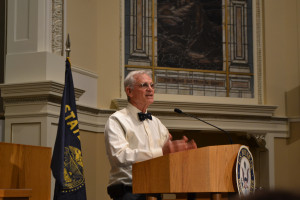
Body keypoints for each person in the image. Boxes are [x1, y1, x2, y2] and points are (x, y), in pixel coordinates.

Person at [104, 70, 197, 200]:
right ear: (129, 91)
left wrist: (183, 153)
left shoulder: (157, 124)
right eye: (144, 85)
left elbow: (168, 155)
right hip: (128, 190)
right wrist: (161, 151)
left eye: (152, 85)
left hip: (155, 189)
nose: (150, 89)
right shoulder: (117, 120)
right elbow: (120, 156)